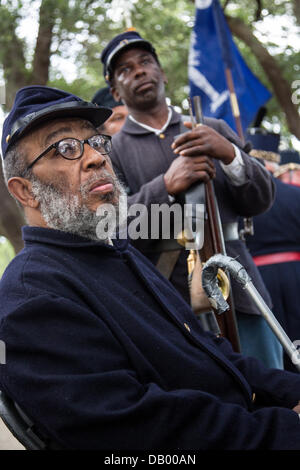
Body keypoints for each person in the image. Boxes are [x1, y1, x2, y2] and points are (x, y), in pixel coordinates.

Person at [1, 85, 300, 450]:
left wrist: (290, 392)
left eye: (97, 141)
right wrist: (283, 430)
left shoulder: (120, 256)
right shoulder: (33, 294)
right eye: (65, 148)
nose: (96, 157)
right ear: (25, 191)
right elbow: (137, 431)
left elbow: (211, 353)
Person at [100, 30, 281, 368]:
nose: (139, 71)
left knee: (277, 397)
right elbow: (114, 231)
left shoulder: (210, 126)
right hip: (173, 305)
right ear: (115, 92)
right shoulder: (111, 153)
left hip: (241, 289)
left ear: (162, 72)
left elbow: (262, 199)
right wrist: (166, 185)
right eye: (125, 69)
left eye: (146, 62)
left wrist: (229, 153)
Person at [246, 142, 300, 372]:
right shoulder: (295, 193)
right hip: (296, 275)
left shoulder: (243, 201)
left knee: (277, 347)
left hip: (257, 281)